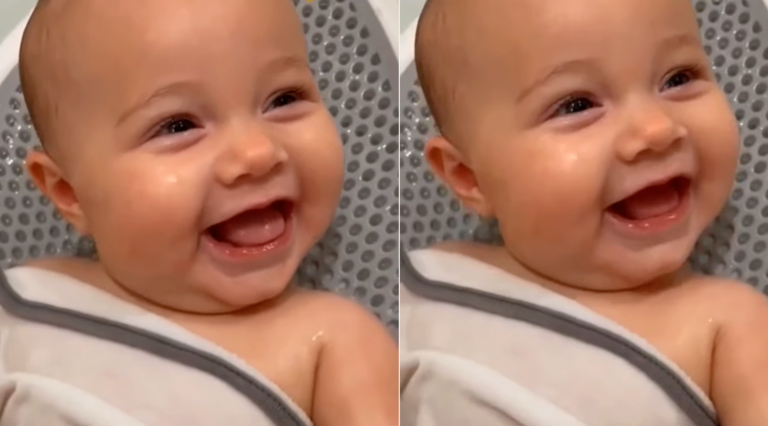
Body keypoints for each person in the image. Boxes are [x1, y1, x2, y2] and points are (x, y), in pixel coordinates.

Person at [0, 0, 397, 425]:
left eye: (284, 98)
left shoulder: (333, 343)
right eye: (178, 126)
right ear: (69, 193)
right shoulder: (26, 299)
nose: (257, 152)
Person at [400, 0, 768, 425]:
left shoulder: (730, 327)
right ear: (469, 178)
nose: (657, 129)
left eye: (678, 78)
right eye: (577, 105)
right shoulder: (420, 282)